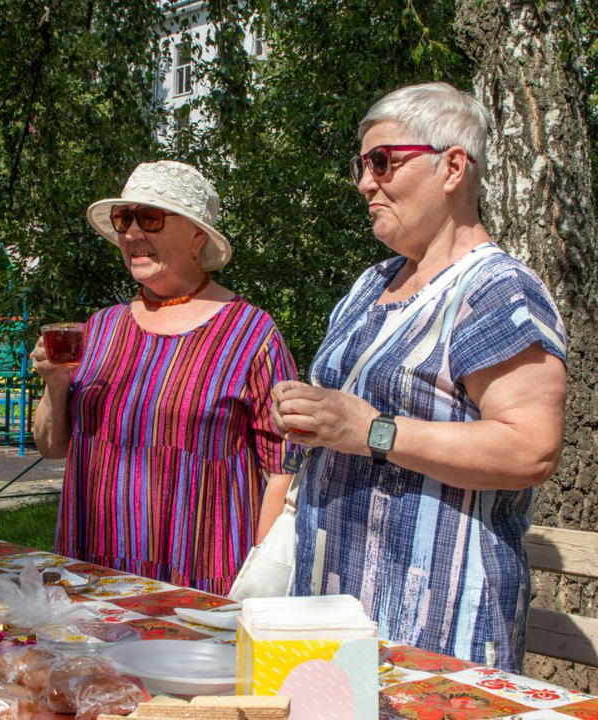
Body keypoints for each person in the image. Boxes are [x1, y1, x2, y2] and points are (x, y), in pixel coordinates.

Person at [270, 82, 567, 671]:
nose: (364, 182)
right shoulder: (369, 285)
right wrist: (308, 413)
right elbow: (345, 419)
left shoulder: (497, 292)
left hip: (439, 629)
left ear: (453, 166)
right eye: (361, 164)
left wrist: (373, 431)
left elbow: (530, 448)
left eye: (383, 161)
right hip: (336, 612)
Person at [31, 160, 298, 595]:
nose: (132, 233)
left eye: (149, 218)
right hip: (93, 574)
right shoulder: (99, 328)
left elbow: (284, 468)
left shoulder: (251, 334)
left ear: (197, 236)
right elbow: (51, 446)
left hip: (198, 586)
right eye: (124, 218)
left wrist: (256, 578)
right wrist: (55, 384)